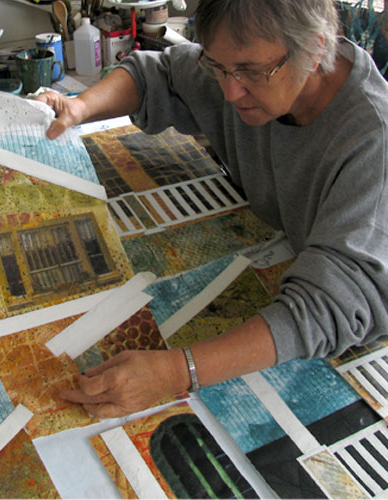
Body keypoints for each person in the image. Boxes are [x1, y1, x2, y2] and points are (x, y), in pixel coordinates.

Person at [36, 0, 388, 418]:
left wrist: (176, 371)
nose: (229, 91)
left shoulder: (373, 141)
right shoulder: (251, 68)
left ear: (315, 49)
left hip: (359, 350)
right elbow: (160, 73)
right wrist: (81, 107)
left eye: (249, 72)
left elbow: (330, 306)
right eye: (217, 66)